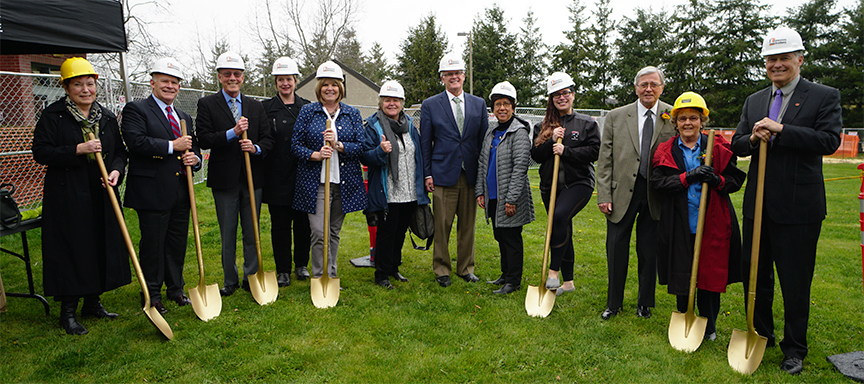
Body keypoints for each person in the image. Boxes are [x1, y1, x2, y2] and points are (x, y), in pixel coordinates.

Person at [730, 26, 842, 375]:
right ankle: (761, 334)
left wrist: (782, 131)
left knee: (795, 282)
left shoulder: (823, 96)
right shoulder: (755, 100)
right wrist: (752, 137)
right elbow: (736, 144)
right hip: (758, 207)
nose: (777, 65)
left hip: (798, 209)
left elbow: (829, 140)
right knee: (755, 278)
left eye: (783, 58)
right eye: (771, 59)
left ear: (799, 59)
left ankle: (794, 349)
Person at [32, 57, 130, 335]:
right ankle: (68, 311)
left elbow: (121, 153)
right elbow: (40, 151)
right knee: (73, 247)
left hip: (101, 190)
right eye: (78, 85)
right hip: (68, 193)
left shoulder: (107, 117)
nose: (85, 89)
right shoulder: (54, 116)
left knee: (100, 242)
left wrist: (115, 172)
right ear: (66, 87)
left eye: (89, 83)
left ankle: (93, 302)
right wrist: (77, 149)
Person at [651, 92, 745, 341]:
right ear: (675, 123)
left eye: (693, 118)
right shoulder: (666, 150)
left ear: (702, 120)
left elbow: (736, 179)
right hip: (679, 223)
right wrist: (687, 177)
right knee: (682, 272)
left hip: (712, 222)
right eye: (682, 119)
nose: (688, 123)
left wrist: (717, 180)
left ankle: (710, 325)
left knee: (709, 274)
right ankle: (686, 316)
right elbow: (658, 182)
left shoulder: (717, 146)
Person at [596, 66, 677, 320]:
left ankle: (645, 303)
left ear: (662, 87)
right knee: (616, 248)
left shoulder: (673, 115)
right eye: (643, 84)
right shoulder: (616, 116)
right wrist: (604, 195)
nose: (648, 89)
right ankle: (613, 303)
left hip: (656, 194)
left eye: (654, 84)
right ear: (635, 88)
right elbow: (605, 159)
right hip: (621, 194)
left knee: (649, 250)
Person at [122, 57, 201, 314]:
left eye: (175, 82)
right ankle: (152, 293)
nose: (170, 86)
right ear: (152, 83)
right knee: (154, 244)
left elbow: (193, 146)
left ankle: (176, 288)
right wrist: (171, 147)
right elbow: (136, 142)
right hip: (152, 190)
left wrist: (195, 158)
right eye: (165, 81)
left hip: (180, 190)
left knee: (176, 242)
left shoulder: (183, 115)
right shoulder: (137, 110)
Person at [196, 51, 274, 297]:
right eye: (227, 74)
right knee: (228, 232)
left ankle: (251, 276)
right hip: (225, 180)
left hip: (253, 179)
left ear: (242, 78)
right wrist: (232, 132)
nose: (233, 78)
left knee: (252, 231)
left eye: (237, 74)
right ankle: (229, 280)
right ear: (219, 77)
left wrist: (256, 147)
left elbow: (268, 140)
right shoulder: (207, 104)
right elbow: (204, 138)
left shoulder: (255, 106)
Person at [291, 61, 367, 280]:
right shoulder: (308, 111)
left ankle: (331, 277)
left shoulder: (352, 113)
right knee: (318, 232)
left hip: (343, 183)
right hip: (316, 183)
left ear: (340, 87)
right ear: (319, 88)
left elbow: (361, 147)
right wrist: (315, 155)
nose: (330, 89)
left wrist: (338, 145)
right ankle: (318, 276)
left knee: (333, 233)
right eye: (325, 85)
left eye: (334, 84)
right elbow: (295, 145)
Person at [420, 53, 489, 287]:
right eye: (448, 74)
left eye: (457, 73)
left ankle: (465, 268)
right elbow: (425, 142)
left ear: (463, 75)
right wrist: (427, 173)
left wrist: (481, 176)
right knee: (442, 225)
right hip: (442, 174)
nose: (454, 77)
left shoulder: (478, 104)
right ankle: (442, 269)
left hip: (469, 175)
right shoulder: (430, 105)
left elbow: (482, 143)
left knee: (468, 226)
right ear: (442, 78)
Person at [530, 73, 600, 297]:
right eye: (557, 95)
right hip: (550, 187)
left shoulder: (587, 123)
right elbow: (537, 156)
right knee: (564, 226)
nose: (562, 97)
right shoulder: (542, 125)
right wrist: (551, 140)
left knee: (559, 217)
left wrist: (566, 150)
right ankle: (568, 283)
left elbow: (594, 152)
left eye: (565, 93)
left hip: (579, 183)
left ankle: (553, 272)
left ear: (572, 94)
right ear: (551, 99)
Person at [361, 80, 430, 289]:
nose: (392, 104)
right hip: (388, 190)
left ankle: (393, 267)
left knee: (400, 230)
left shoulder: (410, 125)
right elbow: (365, 156)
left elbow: (418, 154)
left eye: (396, 100)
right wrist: (380, 151)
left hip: (409, 191)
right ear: (381, 102)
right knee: (386, 232)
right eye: (388, 100)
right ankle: (381, 273)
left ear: (402, 103)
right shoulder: (373, 125)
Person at [476, 81, 535, 295]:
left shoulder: (518, 132)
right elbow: (483, 163)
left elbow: (520, 167)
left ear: (513, 107)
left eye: (506, 104)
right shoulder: (491, 133)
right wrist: (480, 191)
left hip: (510, 198)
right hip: (493, 196)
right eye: (498, 104)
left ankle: (513, 281)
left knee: (511, 238)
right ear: (493, 108)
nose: (502, 108)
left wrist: (511, 198)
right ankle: (505, 273)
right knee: (500, 235)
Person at [261, 57, 312, 286]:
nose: (285, 83)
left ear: (295, 81)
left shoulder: (308, 107)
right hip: (276, 175)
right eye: (281, 79)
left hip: (303, 174)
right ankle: (282, 269)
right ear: (276, 82)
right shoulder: (265, 108)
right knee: (280, 225)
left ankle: (301, 265)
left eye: (289, 79)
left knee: (303, 224)